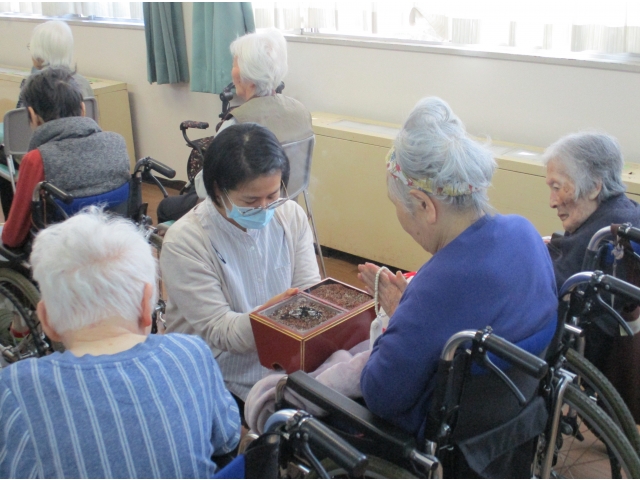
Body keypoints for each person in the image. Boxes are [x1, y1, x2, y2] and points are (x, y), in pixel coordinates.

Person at [358, 97, 558, 475]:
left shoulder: (438, 286)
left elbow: (380, 394)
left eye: (397, 205)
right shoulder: (525, 233)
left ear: (424, 204)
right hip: (509, 431)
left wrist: (397, 317)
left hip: (440, 445)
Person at [0, 208, 241, 478]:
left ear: (47, 320)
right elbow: (228, 438)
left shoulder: (16, 388)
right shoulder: (190, 353)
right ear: (145, 304)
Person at [160, 123, 320, 410]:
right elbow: (222, 332)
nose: (264, 208)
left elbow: (310, 292)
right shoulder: (186, 242)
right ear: (218, 190)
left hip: (281, 361)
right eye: (251, 200)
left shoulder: (290, 216)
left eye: (272, 195)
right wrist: (272, 316)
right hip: (217, 375)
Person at [157, 28, 312, 223]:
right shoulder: (300, 111)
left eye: (235, 64)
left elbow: (206, 188)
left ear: (246, 75)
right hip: (283, 205)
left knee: (165, 207)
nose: (232, 71)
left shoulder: (238, 124)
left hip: (242, 212)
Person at [543, 131, 640, 420]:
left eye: (558, 187)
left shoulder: (601, 238)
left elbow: (550, 287)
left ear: (595, 187)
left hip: (590, 346)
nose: (552, 201)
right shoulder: (627, 213)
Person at [1, 66, 130, 250]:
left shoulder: (36, 159)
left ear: (32, 116)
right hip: (113, 247)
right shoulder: (117, 143)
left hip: (61, 256)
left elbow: (13, 236)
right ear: (83, 109)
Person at [1, 20, 94, 218]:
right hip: (80, 153)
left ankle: (12, 217)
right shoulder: (83, 83)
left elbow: (20, 133)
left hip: (41, 157)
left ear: (39, 53)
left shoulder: (32, 86)